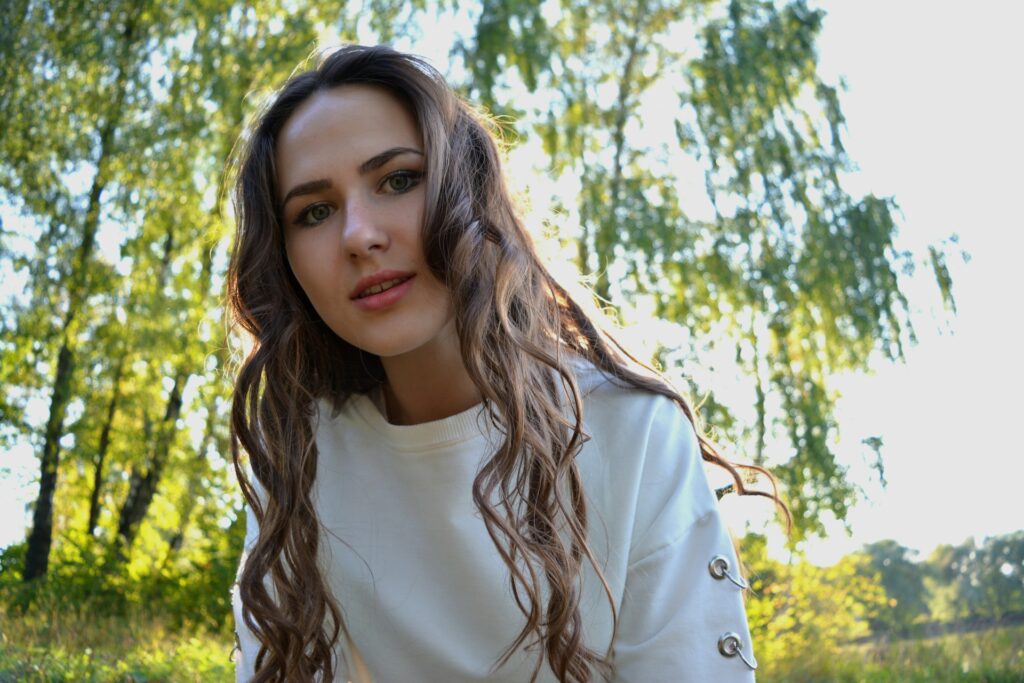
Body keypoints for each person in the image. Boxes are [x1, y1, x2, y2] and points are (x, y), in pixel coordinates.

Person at [226, 43, 786, 683]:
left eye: (399, 179)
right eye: (314, 212)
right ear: (286, 262)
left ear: (469, 193)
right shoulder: (301, 455)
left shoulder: (632, 431)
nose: (359, 234)